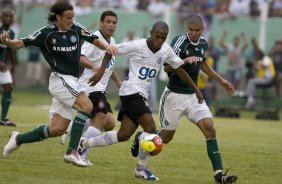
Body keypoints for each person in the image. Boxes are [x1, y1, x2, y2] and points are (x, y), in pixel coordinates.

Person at [79, 21, 204, 180]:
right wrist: (100, 71)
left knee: (123, 134)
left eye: (163, 38)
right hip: (131, 91)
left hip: (140, 94)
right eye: (157, 36)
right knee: (150, 127)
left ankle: (85, 144)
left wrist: (196, 89)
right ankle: (141, 169)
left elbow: (179, 69)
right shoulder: (137, 45)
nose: (159, 40)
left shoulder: (166, 50)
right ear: (151, 33)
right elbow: (111, 51)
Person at [1, 0, 116, 167]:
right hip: (60, 79)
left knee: (57, 128)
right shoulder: (46, 34)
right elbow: (20, 43)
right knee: (87, 106)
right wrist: (8, 43)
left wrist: (107, 47)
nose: (71, 21)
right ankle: (72, 152)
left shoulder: (75, 28)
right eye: (68, 18)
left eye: (72, 17)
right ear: (57, 17)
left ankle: (18, 138)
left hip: (71, 81)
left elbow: (94, 39)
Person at [131, 15, 238, 183]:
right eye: (190, 30)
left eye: (197, 31)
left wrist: (221, 80)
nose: (193, 33)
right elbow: (166, 68)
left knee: (209, 127)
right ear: (187, 28)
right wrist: (184, 61)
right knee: (165, 138)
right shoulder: (179, 42)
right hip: (174, 96)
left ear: (202, 29)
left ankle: (219, 175)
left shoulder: (203, 43)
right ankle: (142, 137)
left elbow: (203, 64)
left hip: (193, 96)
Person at [59, 10, 122, 166]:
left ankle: (73, 126)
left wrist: (119, 82)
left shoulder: (112, 41)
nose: (111, 25)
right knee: (100, 120)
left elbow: (108, 66)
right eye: (108, 22)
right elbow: (80, 57)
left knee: (110, 123)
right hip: (90, 86)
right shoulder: (94, 38)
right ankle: (82, 154)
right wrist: (94, 67)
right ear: (101, 23)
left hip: (100, 88)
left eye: (114, 22)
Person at [0, 9, 16, 126]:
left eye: (10, 16)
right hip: (1, 64)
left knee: (8, 88)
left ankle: (3, 118)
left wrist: (13, 65)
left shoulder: (12, 33)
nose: (8, 18)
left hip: (4, 66)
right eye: (6, 16)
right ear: (1, 17)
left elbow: (10, 50)